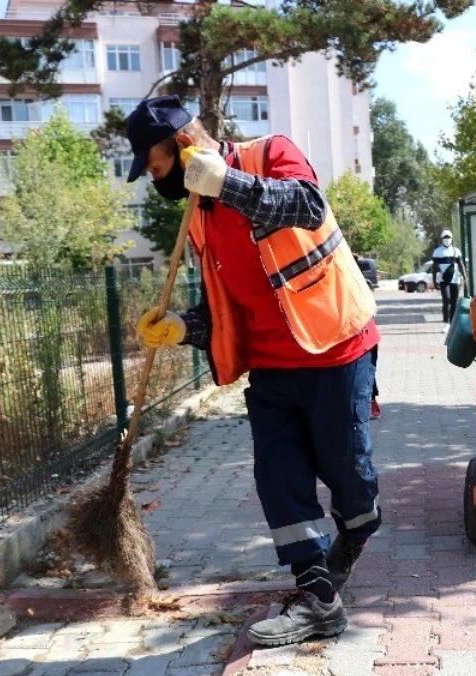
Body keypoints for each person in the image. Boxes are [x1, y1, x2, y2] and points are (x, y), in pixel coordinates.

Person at [127, 96, 381, 646]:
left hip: (334, 347)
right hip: (270, 367)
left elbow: (309, 206)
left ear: (184, 143)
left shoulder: (272, 153)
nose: (153, 177)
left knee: (350, 480)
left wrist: (229, 184)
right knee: (277, 478)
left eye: (154, 163)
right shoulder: (199, 218)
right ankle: (317, 598)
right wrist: (181, 326)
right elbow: (227, 306)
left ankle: (359, 530)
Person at [431, 230, 464, 331]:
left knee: (454, 301)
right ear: (441, 239)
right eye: (445, 237)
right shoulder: (437, 252)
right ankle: (446, 323)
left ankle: (452, 323)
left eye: (449, 237)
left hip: (455, 279)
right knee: (445, 301)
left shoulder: (456, 251)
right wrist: (434, 280)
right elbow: (434, 267)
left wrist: (465, 277)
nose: (447, 239)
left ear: (452, 238)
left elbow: (461, 264)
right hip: (443, 279)